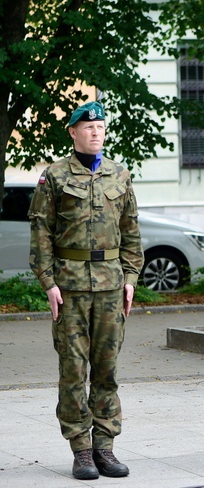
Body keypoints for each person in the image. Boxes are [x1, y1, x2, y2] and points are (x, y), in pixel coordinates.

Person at [28, 101, 143, 480]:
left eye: (101, 126)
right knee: (74, 370)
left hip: (111, 286)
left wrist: (130, 279)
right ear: (73, 132)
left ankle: (105, 447)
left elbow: (131, 232)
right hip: (71, 286)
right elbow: (41, 232)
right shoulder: (55, 176)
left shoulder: (119, 174)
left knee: (107, 370)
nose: (96, 132)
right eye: (88, 127)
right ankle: (80, 449)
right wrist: (49, 283)